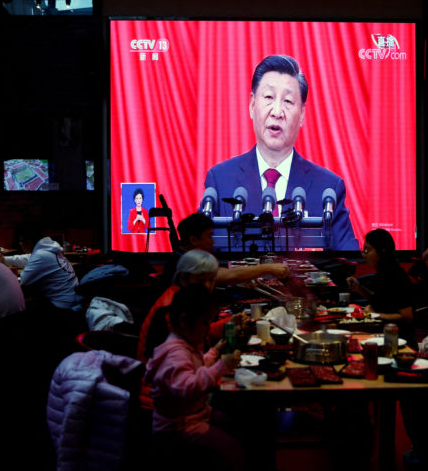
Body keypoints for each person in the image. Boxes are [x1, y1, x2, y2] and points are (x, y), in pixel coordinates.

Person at [202, 54, 358, 251]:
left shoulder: (329, 188)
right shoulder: (220, 179)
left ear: (301, 114)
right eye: (268, 97)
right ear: (252, 105)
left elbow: (348, 260)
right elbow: (200, 260)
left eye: (288, 101)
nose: (277, 111)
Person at [145, 284, 243, 471]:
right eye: (205, 323)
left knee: (234, 425)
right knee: (233, 451)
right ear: (183, 320)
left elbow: (195, 371)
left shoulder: (184, 344)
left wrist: (215, 351)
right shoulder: (175, 354)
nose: (208, 329)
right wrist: (223, 366)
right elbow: (189, 388)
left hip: (193, 415)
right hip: (177, 428)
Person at [159, 213, 291, 287]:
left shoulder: (182, 256)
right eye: (209, 236)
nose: (213, 241)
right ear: (194, 240)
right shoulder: (183, 262)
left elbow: (226, 274)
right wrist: (268, 268)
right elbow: (228, 275)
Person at [346, 229, 414, 338]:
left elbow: (407, 317)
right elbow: (381, 301)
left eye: (367, 250)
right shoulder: (383, 271)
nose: (364, 254)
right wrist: (359, 288)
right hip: (380, 330)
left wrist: (375, 315)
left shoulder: (395, 274)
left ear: (382, 252)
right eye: (363, 250)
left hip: (395, 337)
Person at [0, 227, 83, 311]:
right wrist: (4, 260)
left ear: (29, 242)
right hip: (71, 299)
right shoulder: (48, 250)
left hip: (61, 305)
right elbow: (29, 258)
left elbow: (24, 280)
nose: (20, 244)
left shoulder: (40, 255)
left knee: (18, 303)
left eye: (21, 241)